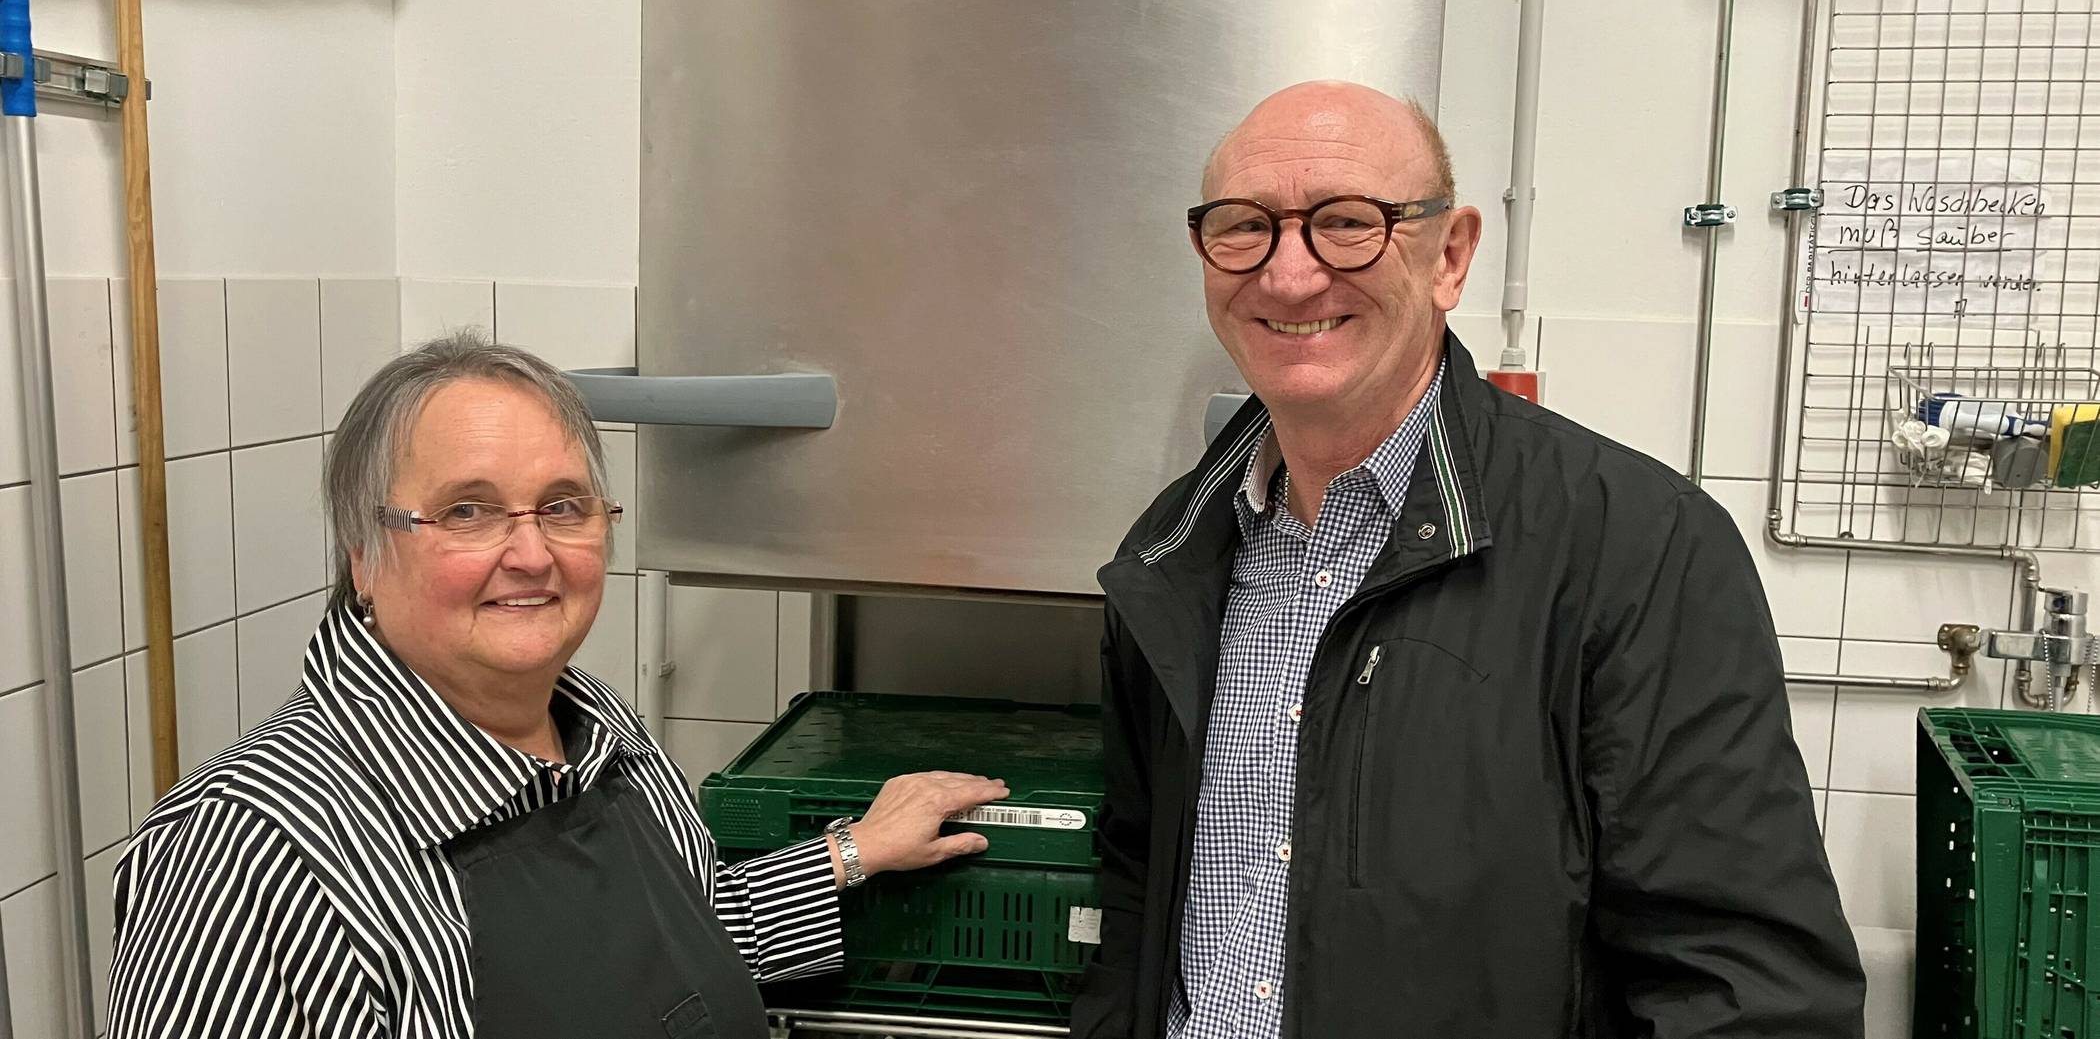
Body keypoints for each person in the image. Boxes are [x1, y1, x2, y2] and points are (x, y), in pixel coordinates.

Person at [1072, 82, 1864, 1038]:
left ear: (1450, 256)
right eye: (1245, 227)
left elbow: (1749, 992)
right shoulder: (1174, 552)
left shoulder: (1638, 546)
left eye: (1346, 224)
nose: (1288, 275)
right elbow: (1136, 881)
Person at [107, 331, 1006, 1038]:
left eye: (564, 506)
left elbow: (682, 937)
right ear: (364, 555)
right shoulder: (252, 855)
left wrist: (854, 852)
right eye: (469, 510)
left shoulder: (595, 725)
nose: (532, 554)